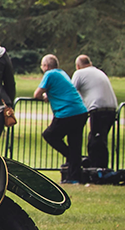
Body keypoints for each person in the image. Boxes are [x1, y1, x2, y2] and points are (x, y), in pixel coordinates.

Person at [34, 54, 90, 182]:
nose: (41, 67)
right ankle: (74, 177)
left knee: (50, 135)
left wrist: (43, 97)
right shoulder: (62, 73)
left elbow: (37, 93)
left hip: (66, 113)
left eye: (42, 65)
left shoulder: (50, 74)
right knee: (75, 143)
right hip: (80, 111)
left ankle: (72, 157)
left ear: (46, 66)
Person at [72, 55, 118, 170]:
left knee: (96, 140)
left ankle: (97, 168)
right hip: (111, 108)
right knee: (99, 138)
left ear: (77, 66)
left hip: (99, 109)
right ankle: (99, 167)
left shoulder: (79, 73)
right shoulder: (99, 72)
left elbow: (71, 91)